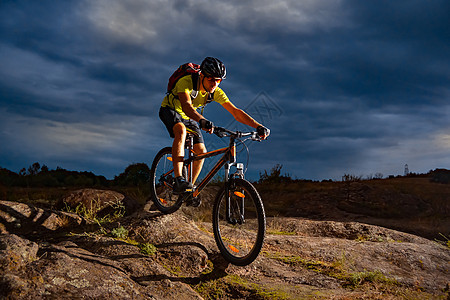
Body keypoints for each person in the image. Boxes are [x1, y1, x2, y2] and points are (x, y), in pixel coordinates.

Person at [159, 57, 270, 194]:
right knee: (181, 130)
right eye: (211, 79)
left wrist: (258, 126)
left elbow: (236, 112)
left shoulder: (216, 92)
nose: (215, 83)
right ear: (202, 75)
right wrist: (202, 121)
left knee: (201, 152)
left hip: (191, 117)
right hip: (171, 109)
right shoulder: (186, 82)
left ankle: (189, 189)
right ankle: (179, 179)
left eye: (218, 80)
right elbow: (187, 106)